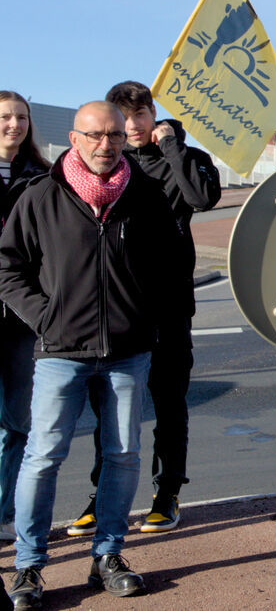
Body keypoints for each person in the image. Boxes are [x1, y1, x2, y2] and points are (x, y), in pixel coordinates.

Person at [0, 102, 188, 608]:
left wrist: (145, 319)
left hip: (129, 352)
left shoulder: (145, 194)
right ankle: (29, 566)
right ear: (74, 138)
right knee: (43, 457)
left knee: (123, 455)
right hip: (60, 351)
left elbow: (171, 267)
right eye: (95, 135)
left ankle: (108, 554)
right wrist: (45, 317)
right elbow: (8, 268)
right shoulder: (41, 195)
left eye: (114, 136)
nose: (106, 145)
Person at [62, 82, 221, 539]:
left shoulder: (187, 158)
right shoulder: (112, 165)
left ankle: (167, 492)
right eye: (124, 117)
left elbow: (200, 199)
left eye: (140, 115)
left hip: (170, 305)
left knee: (169, 403)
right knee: (110, 408)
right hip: (118, 306)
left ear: (154, 114)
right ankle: (102, 496)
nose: (132, 126)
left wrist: (172, 146)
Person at [0, 92, 49, 548]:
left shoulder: (41, 176)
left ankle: (4, 514)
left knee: (16, 420)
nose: (14, 124)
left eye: (21, 117)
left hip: (20, 316)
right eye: (5, 117)